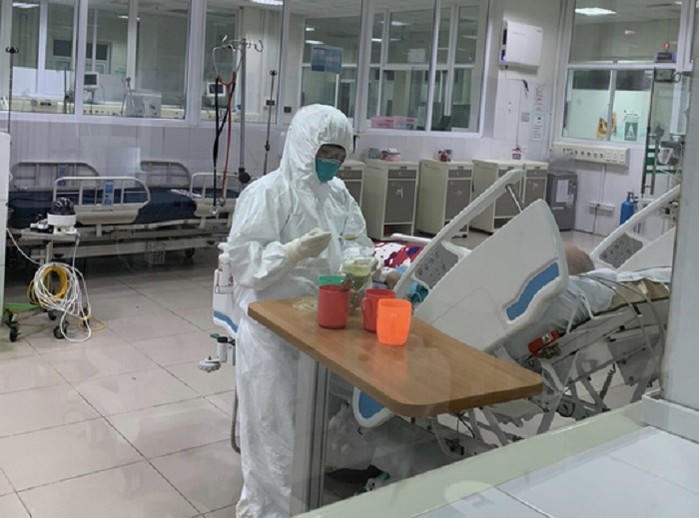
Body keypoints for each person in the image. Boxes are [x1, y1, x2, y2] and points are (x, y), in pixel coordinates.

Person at [220, 104, 373, 518]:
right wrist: (291, 252)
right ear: (304, 146)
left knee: (318, 417)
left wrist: (361, 264)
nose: (332, 163)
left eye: (340, 155)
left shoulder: (338, 194)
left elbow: (357, 239)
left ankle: (313, 494)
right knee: (275, 434)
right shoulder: (267, 193)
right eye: (326, 153)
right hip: (272, 330)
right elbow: (246, 262)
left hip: (324, 323)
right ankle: (269, 511)